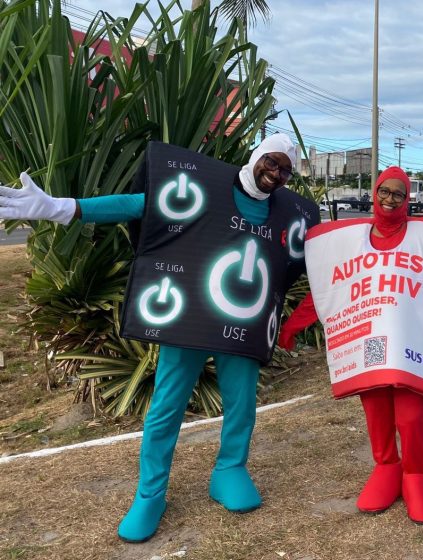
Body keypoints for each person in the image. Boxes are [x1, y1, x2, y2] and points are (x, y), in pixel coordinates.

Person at [0, 134, 318, 543]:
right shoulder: (202, 185)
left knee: (241, 402)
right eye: (271, 162)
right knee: (167, 404)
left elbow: (320, 248)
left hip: (245, 320)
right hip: (189, 318)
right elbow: (141, 205)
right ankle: (151, 493)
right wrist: (64, 208)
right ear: (256, 156)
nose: (275, 173)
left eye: (285, 169)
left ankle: (230, 469)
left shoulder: (290, 214)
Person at [279, 166, 423, 524]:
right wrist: (293, 326)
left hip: (411, 346)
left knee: (410, 416)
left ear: (407, 199)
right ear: (374, 193)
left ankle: (415, 476)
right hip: (368, 345)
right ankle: (386, 467)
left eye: (398, 193)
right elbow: (329, 288)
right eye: (384, 191)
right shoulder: (350, 240)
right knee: (376, 412)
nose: (390, 199)